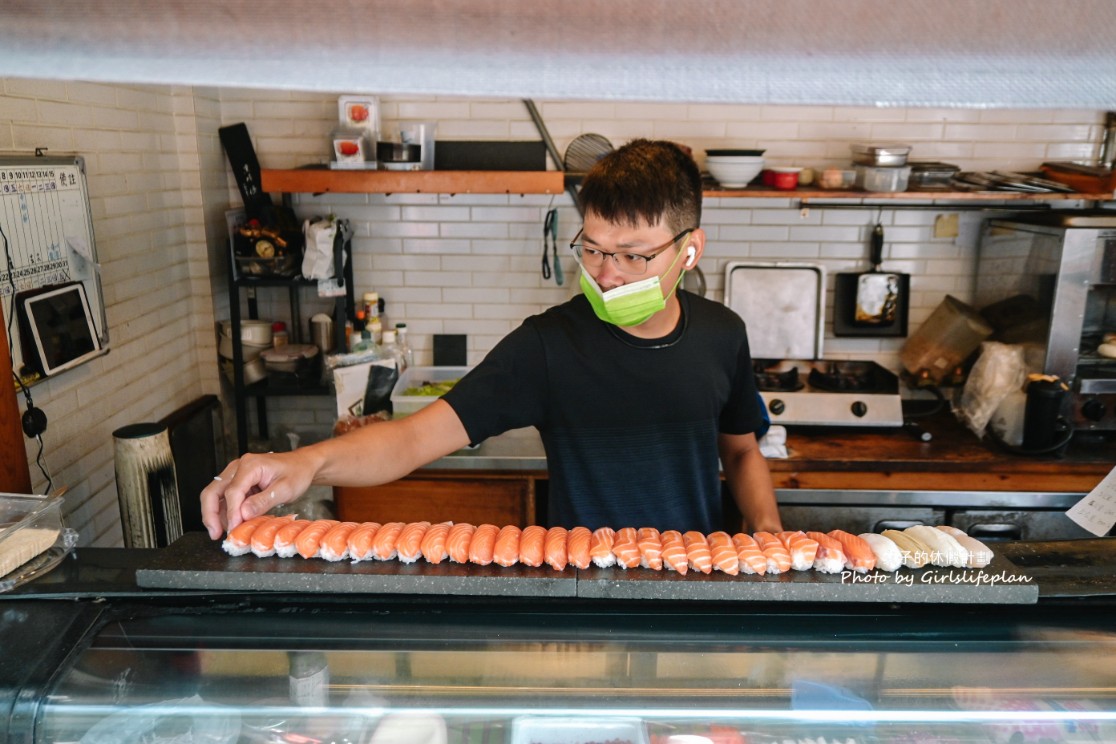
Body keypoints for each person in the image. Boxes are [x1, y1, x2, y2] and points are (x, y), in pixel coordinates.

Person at [201, 139, 781, 541]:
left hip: (696, 582)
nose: (607, 274)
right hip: (582, 590)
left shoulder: (721, 335)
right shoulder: (548, 346)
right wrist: (302, 464)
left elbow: (741, 450)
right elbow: (410, 440)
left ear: (690, 250)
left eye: (633, 256)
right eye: (595, 249)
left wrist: (767, 531)